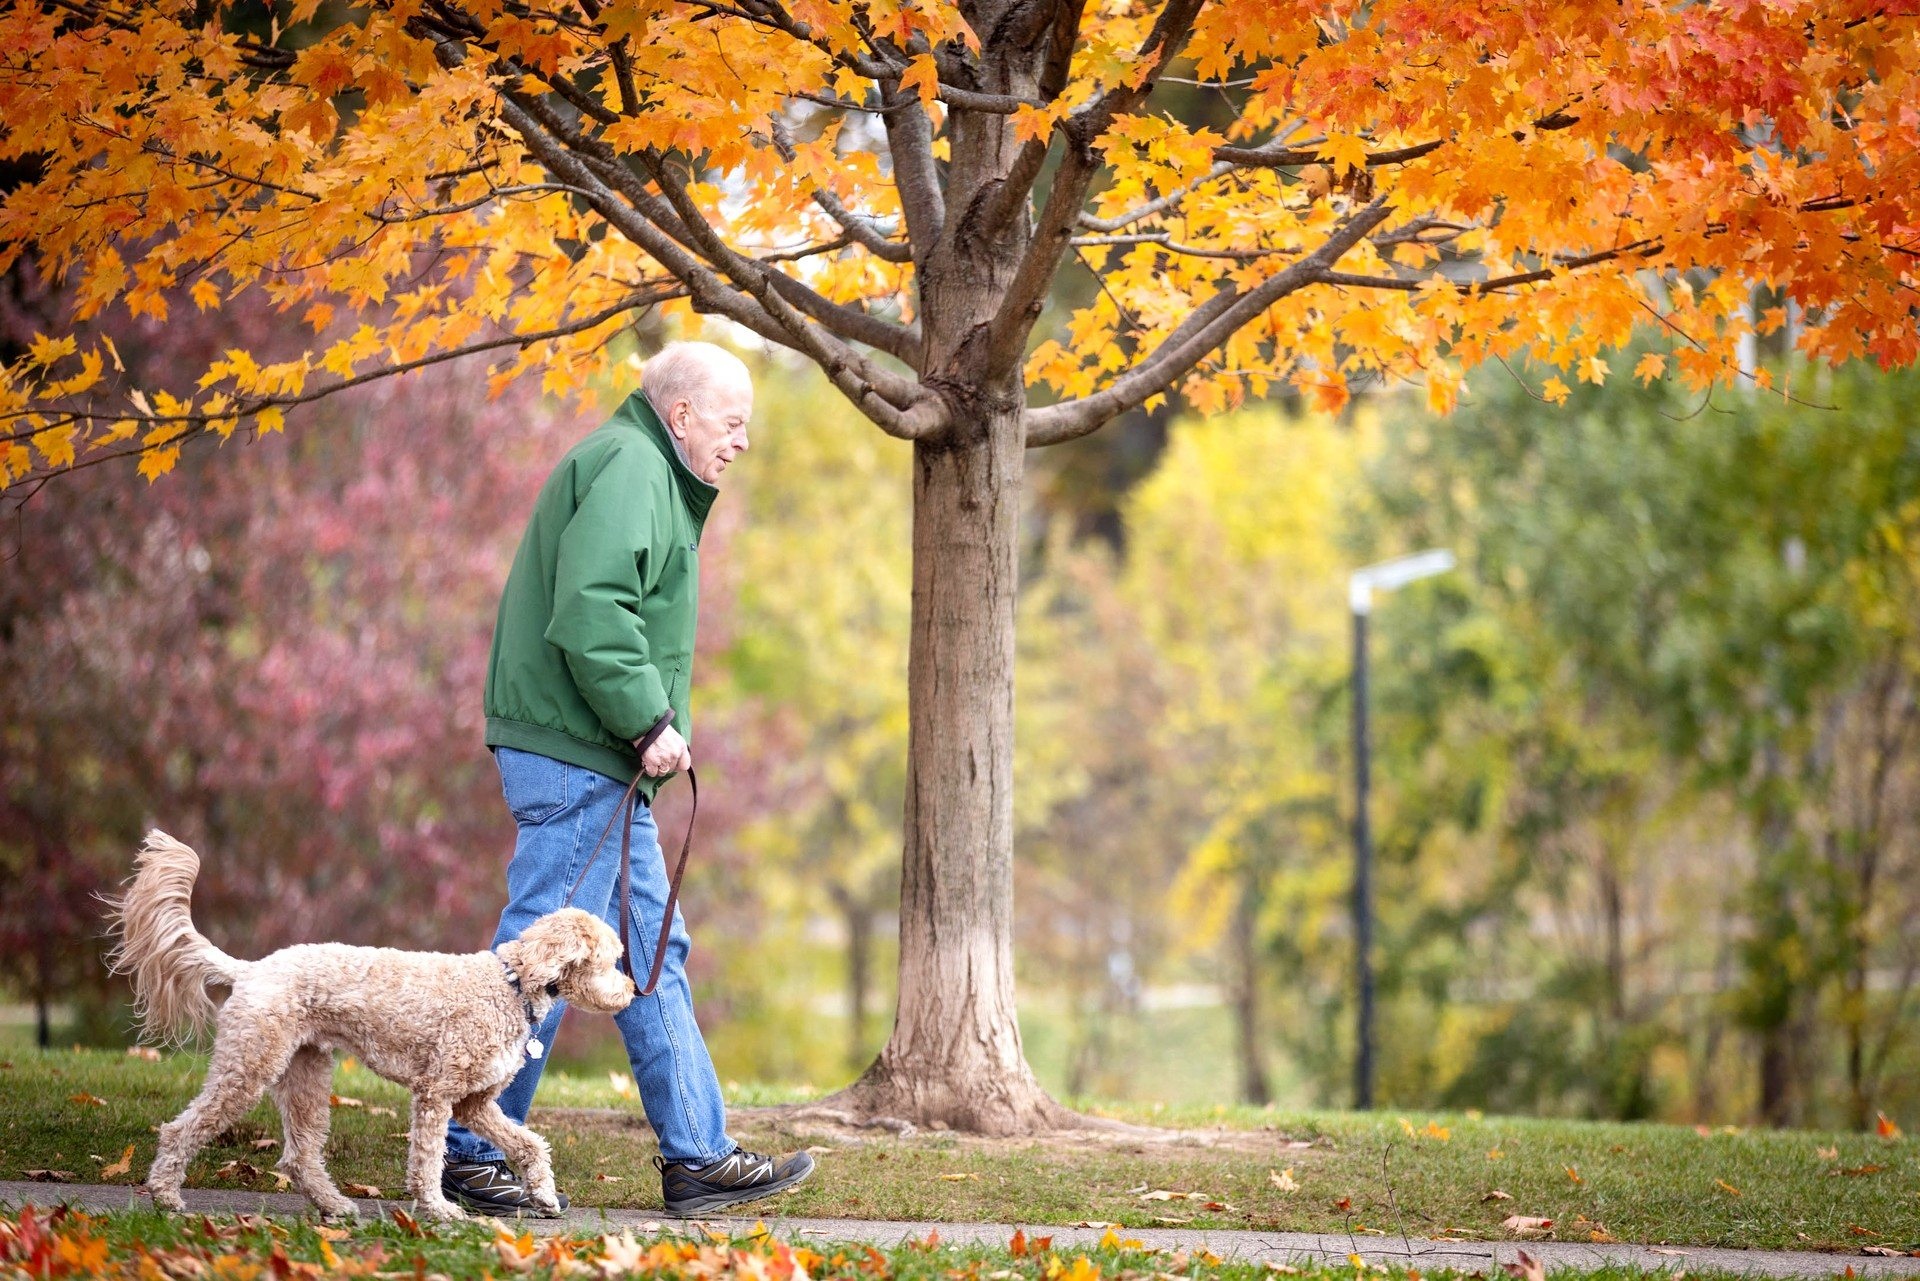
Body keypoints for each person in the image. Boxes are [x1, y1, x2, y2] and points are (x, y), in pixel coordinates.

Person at [441, 341, 814, 1218]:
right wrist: (648, 719)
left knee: (650, 952)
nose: (742, 441)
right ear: (680, 413)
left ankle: (697, 1154)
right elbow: (593, 606)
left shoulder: (643, 467)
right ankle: (464, 1147)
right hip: (581, 753)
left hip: (593, 756)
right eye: (732, 422)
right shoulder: (633, 466)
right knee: (541, 953)